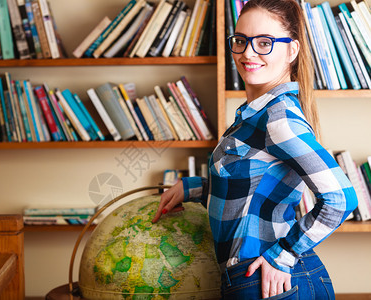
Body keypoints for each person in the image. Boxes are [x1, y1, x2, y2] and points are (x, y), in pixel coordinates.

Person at [152, 0, 358, 299]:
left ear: (292, 50)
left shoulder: (278, 120)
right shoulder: (254, 114)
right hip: (253, 278)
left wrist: (283, 255)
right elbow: (251, 192)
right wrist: (196, 188)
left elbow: (341, 198)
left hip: (268, 281)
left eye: (265, 43)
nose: (248, 53)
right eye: (241, 41)